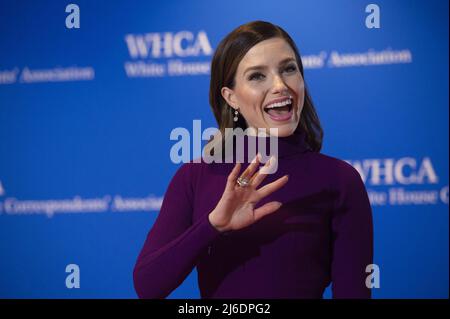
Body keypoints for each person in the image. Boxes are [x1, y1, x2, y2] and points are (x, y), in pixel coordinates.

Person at [133, 21, 373, 299]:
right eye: (257, 76)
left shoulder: (340, 180)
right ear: (231, 97)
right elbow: (147, 286)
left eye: (289, 69)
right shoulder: (196, 176)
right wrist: (212, 226)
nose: (280, 85)